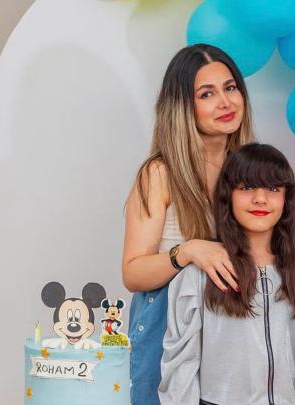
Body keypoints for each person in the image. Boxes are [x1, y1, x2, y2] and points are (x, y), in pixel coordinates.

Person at [122, 44, 255, 405]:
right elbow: (133, 273)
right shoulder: (160, 173)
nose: (225, 102)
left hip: (231, 331)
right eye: (206, 94)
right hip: (167, 328)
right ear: (182, 106)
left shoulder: (249, 172)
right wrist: (189, 251)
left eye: (230, 88)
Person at [159, 143, 295, 405]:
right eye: (247, 187)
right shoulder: (198, 277)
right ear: (228, 195)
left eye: (273, 189)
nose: (260, 198)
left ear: (286, 200)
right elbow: (180, 370)